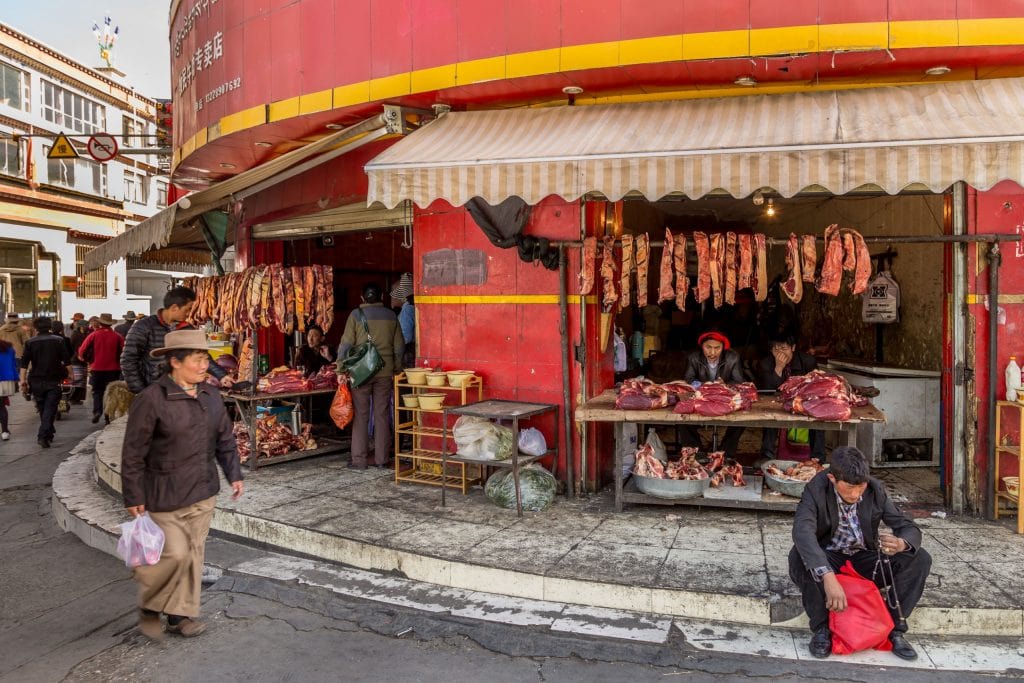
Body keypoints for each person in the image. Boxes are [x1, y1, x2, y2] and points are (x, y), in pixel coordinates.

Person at [121, 329, 244, 640]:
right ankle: (151, 604)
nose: (205, 366)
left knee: (192, 555)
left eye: (206, 359)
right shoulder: (151, 400)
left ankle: (179, 616)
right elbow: (133, 452)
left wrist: (234, 474)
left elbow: (225, 440)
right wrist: (133, 494)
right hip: (165, 492)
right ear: (175, 362)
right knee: (174, 554)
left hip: (203, 490)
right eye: (197, 360)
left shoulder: (210, 396)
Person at [789, 446, 931, 661]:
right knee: (800, 556)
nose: (856, 494)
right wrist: (827, 576)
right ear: (832, 479)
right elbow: (802, 531)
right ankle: (822, 629)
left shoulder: (874, 489)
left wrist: (902, 543)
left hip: (864, 559)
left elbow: (905, 525)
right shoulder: (816, 489)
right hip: (830, 556)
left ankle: (895, 630)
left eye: (860, 487)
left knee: (920, 558)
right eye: (849, 487)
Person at [336, 283, 405, 469]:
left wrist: (341, 369)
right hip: (385, 372)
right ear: (382, 296)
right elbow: (399, 346)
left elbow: (345, 345)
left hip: (361, 372)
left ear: (362, 297)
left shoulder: (355, 315)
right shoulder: (391, 316)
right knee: (382, 415)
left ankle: (359, 460)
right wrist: (396, 369)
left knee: (361, 415)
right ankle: (382, 460)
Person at [121, 287, 231, 394]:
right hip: (154, 390)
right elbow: (128, 360)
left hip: (182, 391)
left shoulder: (188, 328)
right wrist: (141, 391)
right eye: (187, 309)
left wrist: (222, 376)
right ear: (174, 307)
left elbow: (201, 356)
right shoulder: (143, 326)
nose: (189, 314)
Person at [756, 333, 826, 463]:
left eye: (784, 348)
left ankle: (818, 458)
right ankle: (766, 455)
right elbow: (768, 390)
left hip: (803, 400)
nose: (780, 353)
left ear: (793, 347)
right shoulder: (766, 363)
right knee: (770, 416)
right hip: (777, 402)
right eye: (776, 349)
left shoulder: (808, 361)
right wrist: (778, 368)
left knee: (817, 418)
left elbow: (816, 385)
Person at [680, 330, 746, 458]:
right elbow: (688, 380)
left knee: (743, 419)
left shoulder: (733, 358)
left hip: (725, 397)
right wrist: (705, 386)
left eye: (717, 348)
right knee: (682, 417)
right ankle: (696, 453)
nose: (712, 352)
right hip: (701, 397)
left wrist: (724, 385)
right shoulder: (693, 357)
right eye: (708, 347)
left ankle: (725, 453)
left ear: (723, 348)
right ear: (702, 346)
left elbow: (738, 382)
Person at [19, 317, 72, 448]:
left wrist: (22, 380)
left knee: (43, 408)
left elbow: (24, 364)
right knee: (50, 408)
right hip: (54, 379)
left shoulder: (30, 342)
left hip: (36, 380)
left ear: (35, 327)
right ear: (50, 327)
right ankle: (43, 435)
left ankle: (48, 432)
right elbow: (67, 361)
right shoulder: (58, 340)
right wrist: (71, 374)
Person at [77, 314, 125, 424]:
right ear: (110, 324)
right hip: (114, 369)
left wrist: (87, 360)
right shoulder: (117, 336)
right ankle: (108, 415)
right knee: (111, 392)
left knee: (97, 391)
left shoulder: (93, 335)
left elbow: (82, 350)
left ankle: (97, 411)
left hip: (96, 368)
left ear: (100, 323)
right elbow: (124, 351)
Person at [390, 272, 415, 369]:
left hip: (408, 353)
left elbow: (406, 337)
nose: (392, 300)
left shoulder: (407, 309)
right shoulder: (412, 307)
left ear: (402, 298)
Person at [68, 319, 90, 404]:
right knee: (78, 380)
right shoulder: (77, 335)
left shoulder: (81, 334)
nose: (87, 327)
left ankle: (77, 398)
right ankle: (74, 398)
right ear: (81, 327)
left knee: (81, 381)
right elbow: (76, 348)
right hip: (77, 360)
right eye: (86, 326)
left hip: (80, 360)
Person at [0, 338, 17, 440]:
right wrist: (16, 378)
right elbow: (13, 364)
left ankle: (5, 430)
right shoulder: (8, 348)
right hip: (6, 380)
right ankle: (5, 431)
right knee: (1, 406)